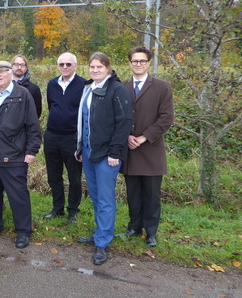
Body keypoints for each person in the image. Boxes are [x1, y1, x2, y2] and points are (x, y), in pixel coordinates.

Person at [0, 61, 42, 249]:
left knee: (18, 195)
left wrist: (31, 150)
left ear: (11, 73)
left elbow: (33, 125)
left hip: (14, 155)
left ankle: (23, 231)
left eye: (2, 72)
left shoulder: (22, 95)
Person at [75, 52, 133, 265]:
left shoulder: (117, 90)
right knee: (96, 195)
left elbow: (124, 122)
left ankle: (102, 242)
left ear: (108, 68)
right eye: (92, 67)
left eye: (99, 67)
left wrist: (115, 152)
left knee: (106, 198)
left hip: (107, 155)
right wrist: (80, 147)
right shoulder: (88, 88)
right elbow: (83, 121)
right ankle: (99, 232)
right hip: (89, 152)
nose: (95, 70)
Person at [119, 46, 174, 247]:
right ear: (129, 63)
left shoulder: (161, 87)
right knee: (132, 193)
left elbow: (166, 118)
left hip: (150, 150)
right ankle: (134, 227)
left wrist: (143, 137)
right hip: (130, 150)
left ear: (148, 63)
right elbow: (116, 116)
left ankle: (151, 232)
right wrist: (125, 137)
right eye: (135, 61)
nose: (138, 64)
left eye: (142, 61)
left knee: (151, 195)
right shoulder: (122, 86)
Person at [43, 53, 86, 223]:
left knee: (74, 176)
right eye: (62, 64)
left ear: (75, 65)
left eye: (69, 64)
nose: (65, 67)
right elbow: (51, 105)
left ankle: (73, 210)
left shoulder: (83, 84)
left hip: (72, 137)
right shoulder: (52, 84)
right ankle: (57, 208)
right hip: (52, 135)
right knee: (54, 175)